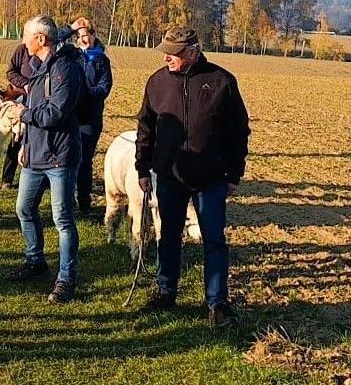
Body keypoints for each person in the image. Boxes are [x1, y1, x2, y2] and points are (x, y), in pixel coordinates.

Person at [135, 25, 251, 329]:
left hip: (211, 178)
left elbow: (239, 131)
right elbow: (145, 128)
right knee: (169, 236)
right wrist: (142, 168)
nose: (167, 59)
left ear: (193, 51)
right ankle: (166, 291)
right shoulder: (157, 83)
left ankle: (217, 303)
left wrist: (234, 173)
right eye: (165, 53)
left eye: (173, 54)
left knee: (214, 240)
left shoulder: (222, 81)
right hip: (169, 176)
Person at [5, 15, 85, 304]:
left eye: (27, 36)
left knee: (62, 220)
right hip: (35, 154)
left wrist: (21, 115)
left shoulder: (65, 69)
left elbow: (56, 113)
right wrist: (25, 144)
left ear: (41, 39)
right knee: (24, 209)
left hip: (60, 157)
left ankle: (66, 279)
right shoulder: (38, 68)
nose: (23, 42)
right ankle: (35, 259)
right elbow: (36, 106)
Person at [69, 18, 113, 218]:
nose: (82, 39)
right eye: (79, 36)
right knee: (67, 159)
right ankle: (66, 199)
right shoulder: (72, 56)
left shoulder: (102, 60)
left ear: (94, 36)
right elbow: (56, 45)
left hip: (90, 120)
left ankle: (85, 204)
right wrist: (71, 29)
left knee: (84, 161)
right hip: (70, 117)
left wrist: (84, 93)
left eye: (85, 35)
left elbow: (104, 88)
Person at [0, 37, 35, 189]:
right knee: (16, 139)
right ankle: (7, 179)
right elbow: (11, 72)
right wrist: (25, 84)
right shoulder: (22, 50)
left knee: (35, 140)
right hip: (22, 99)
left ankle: (34, 178)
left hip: (40, 102)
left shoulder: (50, 52)